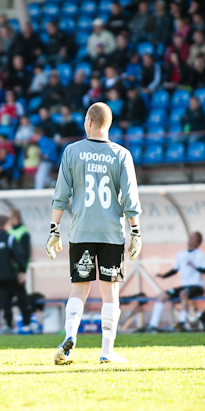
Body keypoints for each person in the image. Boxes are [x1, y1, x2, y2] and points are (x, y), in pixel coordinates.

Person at [49, 102, 142, 365]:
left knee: (78, 290)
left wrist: (54, 230)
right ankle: (106, 351)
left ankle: (69, 339)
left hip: (81, 231)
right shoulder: (121, 154)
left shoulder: (71, 151)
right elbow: (130, 200)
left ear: (88, 122)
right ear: (108, 124)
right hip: (111, 232)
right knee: (110, 292)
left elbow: (60, 196)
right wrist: (136, 231)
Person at [138, 232, 205, 333]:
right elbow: (175, 270)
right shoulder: (181, 254)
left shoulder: (201, 255)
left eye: (194, 238)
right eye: (190, 237)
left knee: (183, 293)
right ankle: (152, 324)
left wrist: (196, 267)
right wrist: (163, 276)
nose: (190, 239)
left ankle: (182, 323)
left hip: (197, 286)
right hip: (185, 286)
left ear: (198, 242)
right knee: (163, 295)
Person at [0, 215, 28, 335]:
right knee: (21, 297)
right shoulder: (9, 238)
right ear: (6, 225)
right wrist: (22, 271)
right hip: (9, 277)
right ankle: (26, 325)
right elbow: (19, 255)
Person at [0, 208, 34, 334]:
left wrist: (22, 271)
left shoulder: (23, 232)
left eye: (9, 217)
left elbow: (25, 254)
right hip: (8, 272)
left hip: (17, 272)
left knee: (22, 298)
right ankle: (8, 324)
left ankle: (26, 323)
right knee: (5, 299)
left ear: (15, 218)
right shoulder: (8, 231)